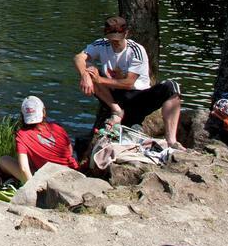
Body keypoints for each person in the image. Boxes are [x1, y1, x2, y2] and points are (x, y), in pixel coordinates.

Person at [73, 15, 185, 147]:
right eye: (111, 39)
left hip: (137, 97)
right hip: (114, 97)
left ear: (126, 33)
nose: (115, 42)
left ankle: (171, 140)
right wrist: (85, 75)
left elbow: (128, 83)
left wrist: (99, 79)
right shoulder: (101, 44)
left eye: (118, 39)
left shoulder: (136, 50)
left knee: (172, 87)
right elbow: (78, 57)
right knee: (89, 68)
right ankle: (116, 111)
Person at [0, 96, 78, 183]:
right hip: (74, 173)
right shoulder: (57, 128)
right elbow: (69, 151)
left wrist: (32, 188)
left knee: (4, 160)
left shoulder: (22, 135)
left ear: (22, 115)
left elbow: (24, 168)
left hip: (52, 181)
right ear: (43, 112)